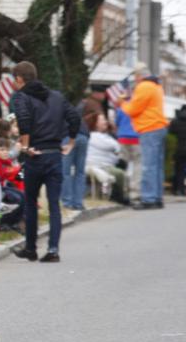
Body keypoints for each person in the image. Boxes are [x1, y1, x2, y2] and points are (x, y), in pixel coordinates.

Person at [8, 61, 80, 263]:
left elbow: (23, 119)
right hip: (55, 154)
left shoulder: (22, 96)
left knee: (31, 202)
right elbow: (74, 117)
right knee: (54, 204)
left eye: (15, 80)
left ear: (20, 79)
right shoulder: (57, 97)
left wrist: (25, 145)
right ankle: (53, 249)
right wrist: (71, 142)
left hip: (35, 155)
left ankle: (31, 248)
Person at [121, 62, 168, 209]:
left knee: (148, 165)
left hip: (149, 128)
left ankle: (148, 198)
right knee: (157, 166)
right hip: (159, 127)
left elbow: (133, 109)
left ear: (139, 76)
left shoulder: (144, 87)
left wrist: (122, 103)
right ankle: (157, 197)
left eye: (135, 76)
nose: (135, 79)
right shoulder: (156, 86)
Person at [85, 113, 128, 204]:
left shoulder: (104, 136)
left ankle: (117, 195)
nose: (106, 122)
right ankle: (119, 196)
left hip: (105, 164)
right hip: (99, 166)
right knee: (119, 173)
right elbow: (116, 147)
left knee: (121, 166)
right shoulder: (94, 136)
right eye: (103, 120)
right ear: (95, 123)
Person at [61, 97, 89, 212]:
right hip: (83, 136)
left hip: (68, 137)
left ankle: (67, 202)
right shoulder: (72, 109)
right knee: (80, 172)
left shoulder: (56, 110)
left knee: (65, 171)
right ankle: (78, 203)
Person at [115, 105, 141, 201]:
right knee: (137, 164)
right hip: (136, 137)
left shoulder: (121, 107)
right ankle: (135, 191)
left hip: (122, 138)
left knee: (123, 164)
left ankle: (123, 189)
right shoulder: (139, 105)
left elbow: (116, 122)